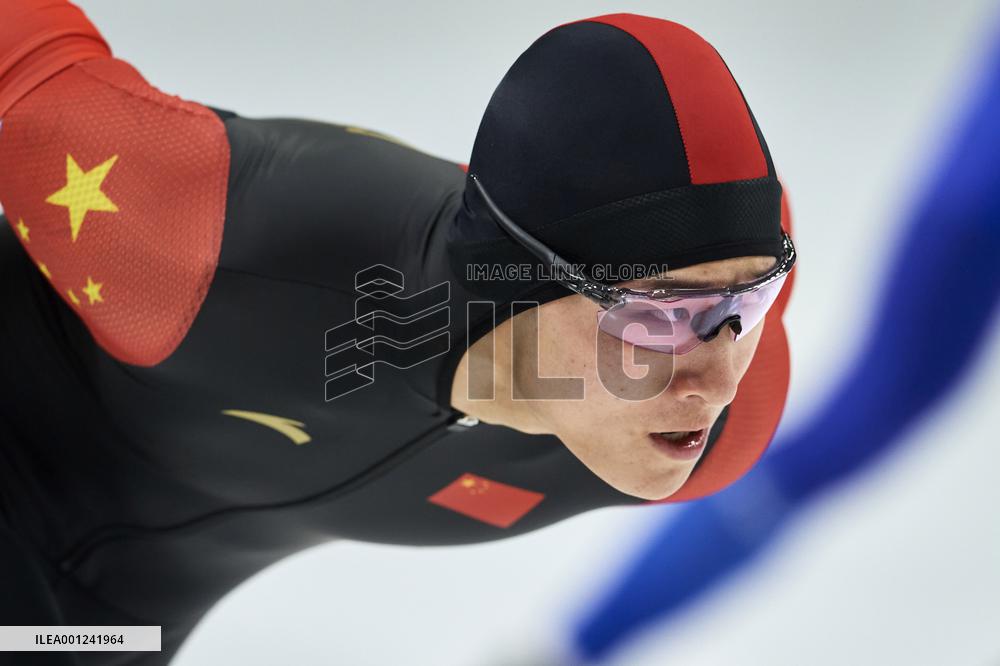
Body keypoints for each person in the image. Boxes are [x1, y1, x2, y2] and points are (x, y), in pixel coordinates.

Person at [0, 2, 797, 664]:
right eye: (659, 314)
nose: (715, 380)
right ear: (525, 275)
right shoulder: (197, 238)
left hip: (107, 624)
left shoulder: (719, 428)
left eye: (748, 304)